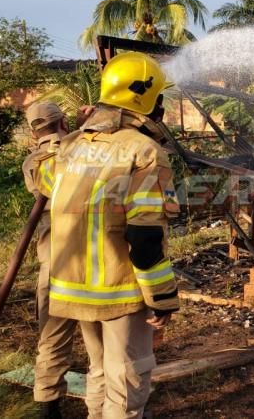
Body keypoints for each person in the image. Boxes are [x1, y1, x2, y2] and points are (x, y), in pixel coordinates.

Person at [35, 52, 180, 419]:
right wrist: (163, 299)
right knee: (128, 382)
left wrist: (60, 135)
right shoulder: (144, 151)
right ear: (145, 98)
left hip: (73, 288)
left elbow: (44, 181)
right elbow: (144, 237)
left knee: (100, 369)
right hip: (119, 291)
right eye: (159, 98)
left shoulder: (70, 147)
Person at [22, 102, 75, 419]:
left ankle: (47, 406)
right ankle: (109, 407)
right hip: (95, 263)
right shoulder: (84, 146)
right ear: (63, 121)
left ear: (32, 132)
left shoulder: (32, 163)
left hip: (54, 262)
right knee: (104, 344)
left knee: (52, 339)